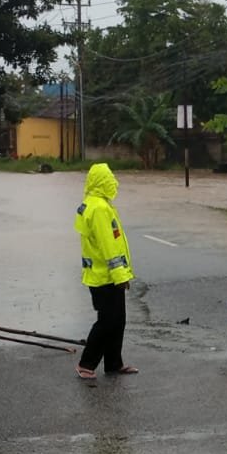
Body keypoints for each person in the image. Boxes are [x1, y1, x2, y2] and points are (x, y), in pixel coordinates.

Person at [74, 162, 137, 381]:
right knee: (108, 321)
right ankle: (86, 363)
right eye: (110, 178)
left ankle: (114, 363)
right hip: (105, 277)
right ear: (102, 182)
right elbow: (108, 246)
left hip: (102, 274)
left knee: (118, 320)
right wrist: (121, 276)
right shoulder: (99, 209)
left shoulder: (92, 203)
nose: (114, 182)